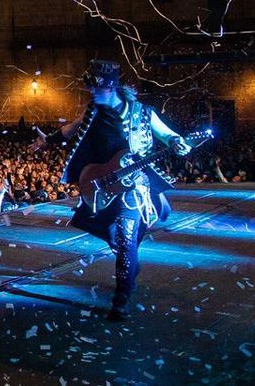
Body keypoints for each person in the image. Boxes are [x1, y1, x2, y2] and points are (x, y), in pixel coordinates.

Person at [30, 60, 190, 321]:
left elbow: (167, 134)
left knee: (127, 238)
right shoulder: (94, 110)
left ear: (111, 87)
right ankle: (129, 271)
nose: (92, 94)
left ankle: (121, 298)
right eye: (90, 89)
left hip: (133, 189)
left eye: (97, 89)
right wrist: (47, 140)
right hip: (101, 185)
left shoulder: (143, 113)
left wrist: (179, 142)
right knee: (120, 240)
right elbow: (70, 129)